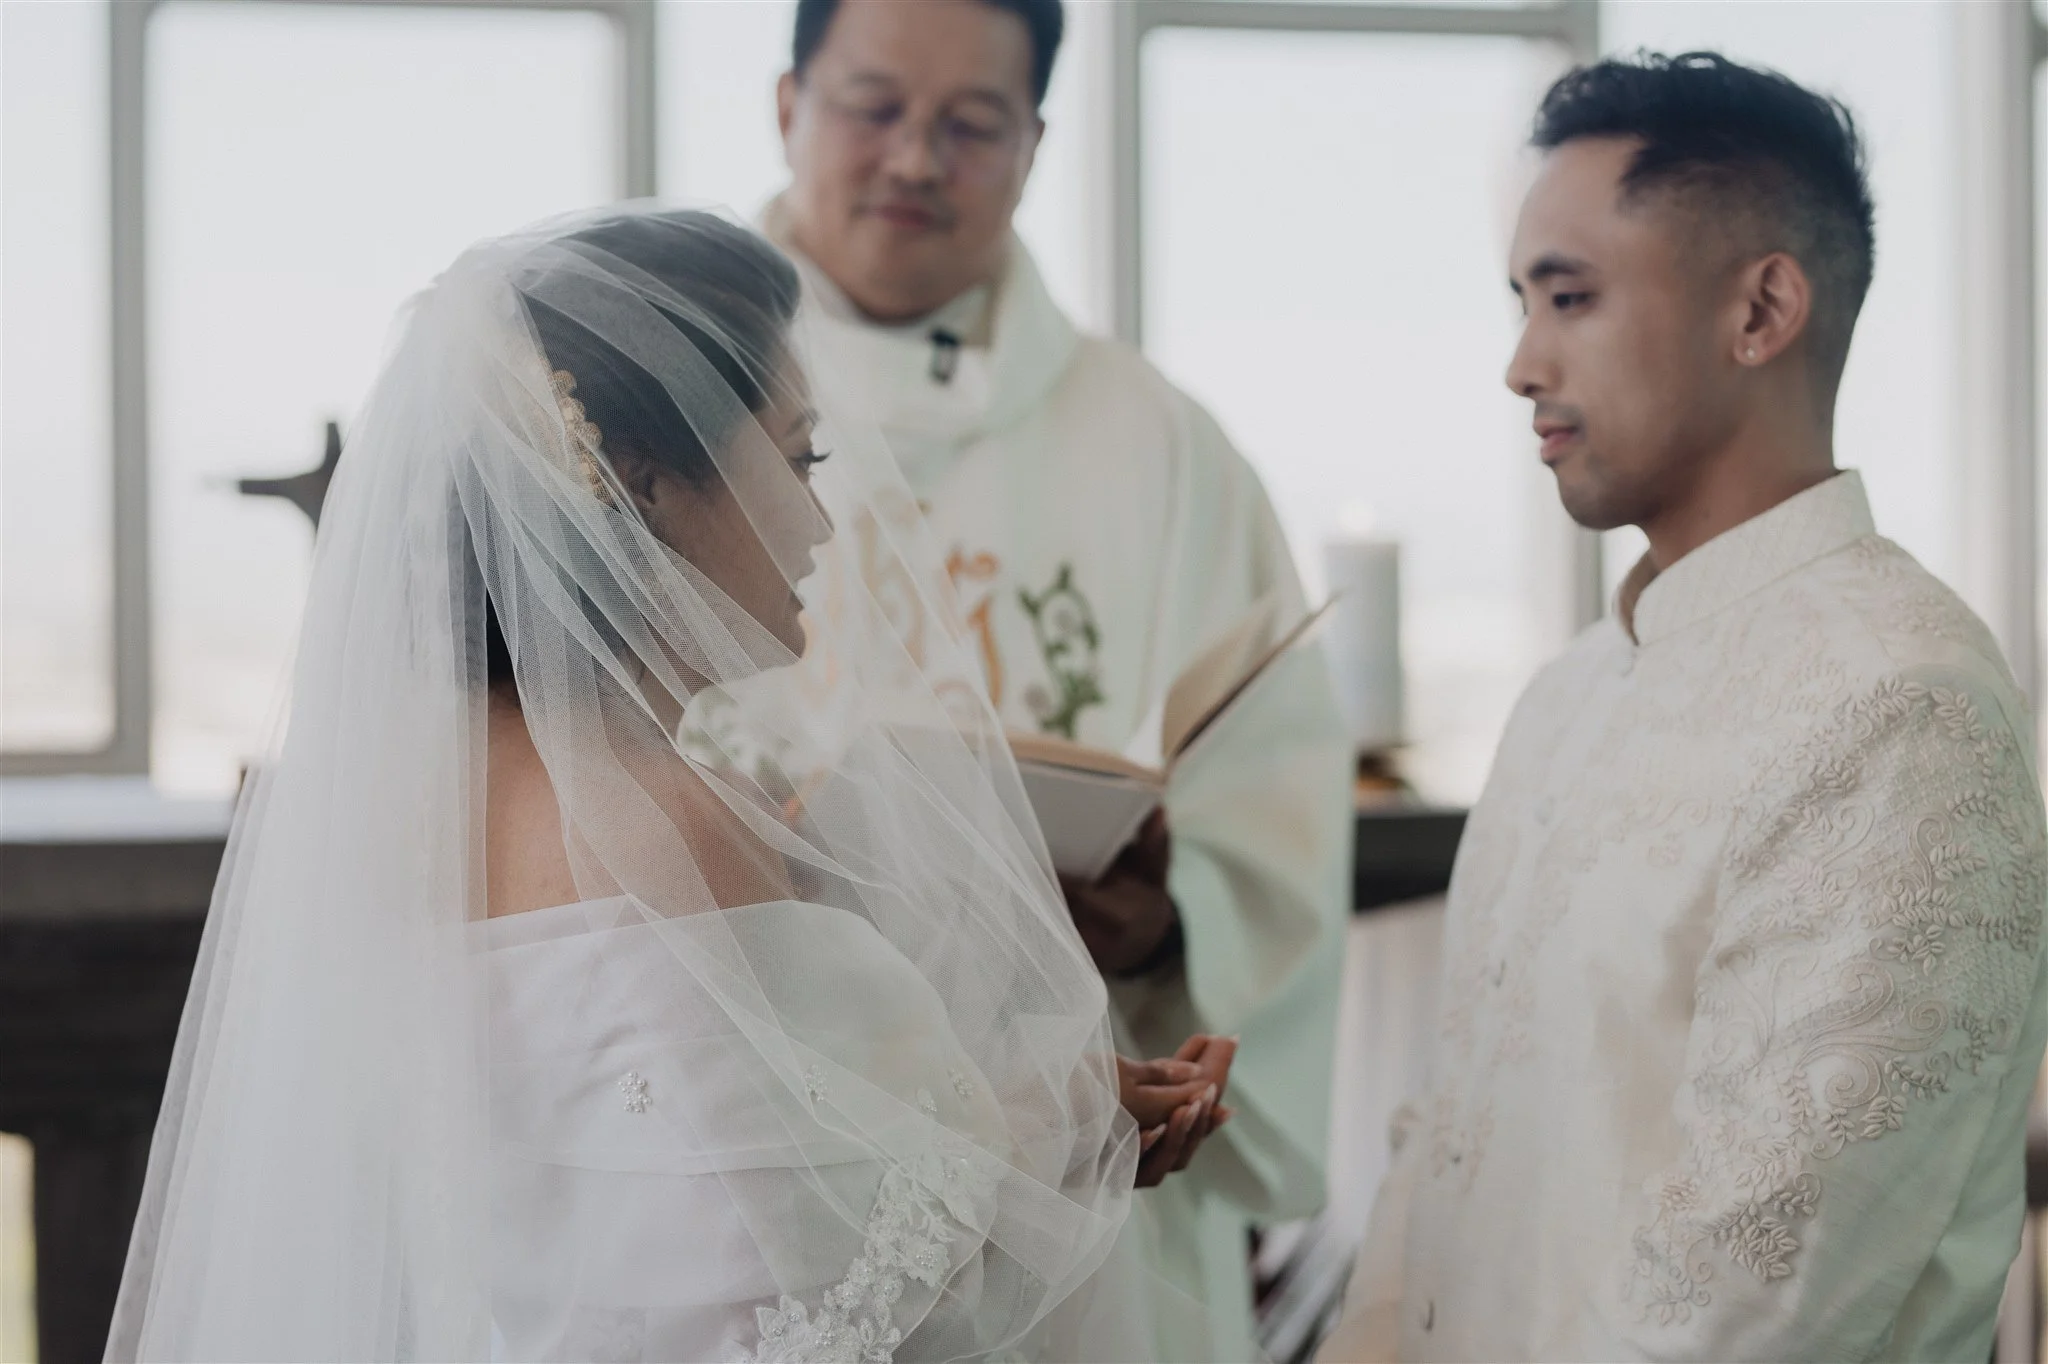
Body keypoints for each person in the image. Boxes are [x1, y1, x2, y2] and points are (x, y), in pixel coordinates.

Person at [106, 206, 1233, 1363]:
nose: (816, 520)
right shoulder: (662, 821)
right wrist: (1059, 1125)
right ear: (645, 482)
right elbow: (843, 1306)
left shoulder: (403, 801)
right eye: (799, 458)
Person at [1318, 53, 2048, 1363]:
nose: (1521, 362)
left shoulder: (1900, 705)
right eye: (1523, 302)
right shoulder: (1569, 692)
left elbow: (1762, 1290)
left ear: (1761, 309)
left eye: (1572, 298)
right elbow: (1450, 1145)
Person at [765, 3, 1355, 1357]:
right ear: (785, 105)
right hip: (764, 1154)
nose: (915, 159)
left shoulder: (1157, 444)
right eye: (871, 106)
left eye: (971, 125)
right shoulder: (688, 400)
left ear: (1032, 145)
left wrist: (1169, 925)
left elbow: (1277, 801)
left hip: (1095, 1175)